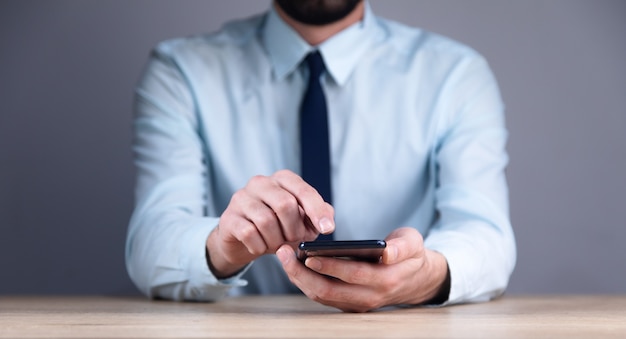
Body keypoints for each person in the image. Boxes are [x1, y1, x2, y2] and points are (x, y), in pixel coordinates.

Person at [126, 0, 516, 312]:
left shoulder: (455, 75)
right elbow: (151, 244)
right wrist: (220, 246)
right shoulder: (180, 72)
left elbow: (487, 236)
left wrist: (427, 275)